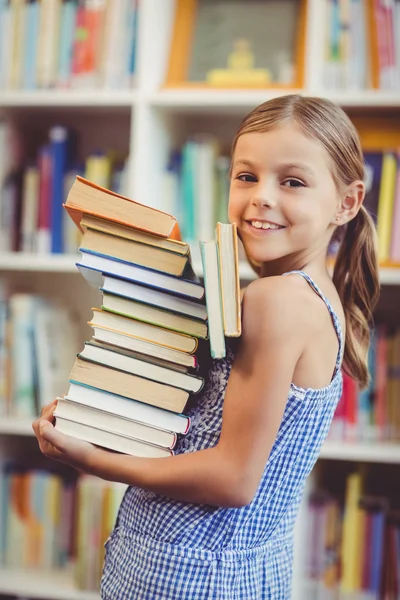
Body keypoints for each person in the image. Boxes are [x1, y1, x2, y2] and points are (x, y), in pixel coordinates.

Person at [33, 94, 380, 599]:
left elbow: (232, 478)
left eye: (292, 182)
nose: (262, 196)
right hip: (235, 568)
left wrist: (91, 459)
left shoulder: (275, 301)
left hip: (190, 575)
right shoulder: (312, 297)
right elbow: (206, 433)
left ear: (346, 202)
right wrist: (97, 422)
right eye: (246, 176)